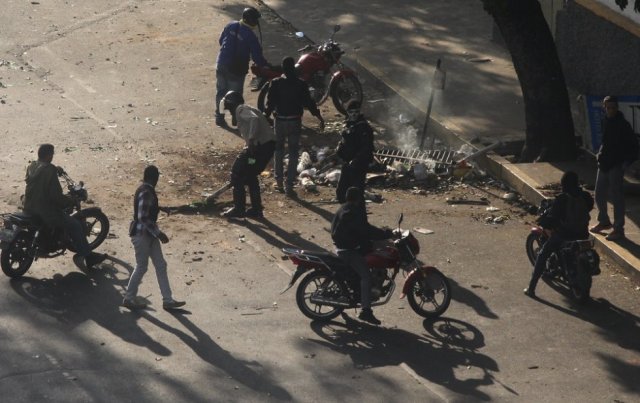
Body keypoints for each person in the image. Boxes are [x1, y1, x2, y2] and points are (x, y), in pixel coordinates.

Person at [23, 144, 105, 269]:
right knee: (75, 225)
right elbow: (56, 196)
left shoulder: (32, 166)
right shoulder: (49, 171)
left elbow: (41, 174)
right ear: (49, 155)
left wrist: (55, 169)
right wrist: (70, 201)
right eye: (52, 154)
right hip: (44, 210)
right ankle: (89, 257)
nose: (53, 156)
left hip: (29, 205)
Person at [123, 165, 185, 310]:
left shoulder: (145, 190)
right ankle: (129, 298)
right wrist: (159, 234)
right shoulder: (146, 192)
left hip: (148, 234)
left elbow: (146, 209)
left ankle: (168, 300)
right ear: (154, 177)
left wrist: (160, 208)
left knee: (161, 265)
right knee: (141, 266)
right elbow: (142, 217)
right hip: (143, 235)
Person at [524, 171, 594, 298]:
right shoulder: (586, 196)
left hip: (564, 235)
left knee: (543, 254)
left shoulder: (562, 199)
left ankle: (531, 288)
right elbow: (588, 208)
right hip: (583, 234)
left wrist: (543, 222)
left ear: (564, 184)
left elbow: (552, 219)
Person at [331, 187, 393, 324]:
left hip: (343, 246)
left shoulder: (344, 208)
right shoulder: (352, 212)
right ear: (358, 199)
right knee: (366, 276)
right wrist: (386, 234)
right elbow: (365, 229)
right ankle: (366, 311)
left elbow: (362, 229)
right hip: (347, 250)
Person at [265, 56, 324, 197]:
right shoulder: (301, 84)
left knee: (278, 150)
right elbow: (309, 103)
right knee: (293, 153)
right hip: (294, 121)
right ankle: (289, 185)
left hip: (279, 121)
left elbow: (270, 104)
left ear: (283, 69)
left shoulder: (275, 83)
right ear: (294, 68)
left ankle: (278, 181)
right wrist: (319, 117)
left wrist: (265, 117)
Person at [219, 91, 276, 219]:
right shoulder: (245, 108)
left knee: (237, 173)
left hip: (258, 149)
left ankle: (239, 209)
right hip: (262, 150)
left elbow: (254, 120)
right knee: (250, 174)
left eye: (228, 105)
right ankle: (256, 210)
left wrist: (250, 139)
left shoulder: (240, 109)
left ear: (231, 104)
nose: (227, 108)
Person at [590, 95, 638, 241]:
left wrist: (625, 163)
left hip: (616, 165)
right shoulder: (606, 121)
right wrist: (599, 153)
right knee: (599, 194)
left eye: (612, 108)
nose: (610, 110)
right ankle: (604, 221)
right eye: (607, 108)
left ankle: (618, 229)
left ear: (617, 108)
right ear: (604, 108)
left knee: (617, 198)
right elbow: (606, 141)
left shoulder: (623, 125)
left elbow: (634, 146)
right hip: (604, 163)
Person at [215, 6, 269, 127]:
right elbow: (257, 57)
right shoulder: (250, 36)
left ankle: (219, 117)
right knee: (236, 96)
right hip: (237, 69)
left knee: (221, 92)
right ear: (252, 21)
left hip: (221, 63)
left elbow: (221, 41)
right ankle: (237, 119)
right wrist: (265, 66)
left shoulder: (230, 25)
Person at [335, 100, 374, 204]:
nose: (354, 114)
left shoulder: (363, 127)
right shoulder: (348, 124)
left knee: (357, 193)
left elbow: (367, 147)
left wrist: (356, 160)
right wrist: (339, 152)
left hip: (359, 163)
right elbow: (344, 141)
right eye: (351, 112)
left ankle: (358, 215)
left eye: (356, 112)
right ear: (347, 112)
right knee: (341, 193)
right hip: (347, 162)